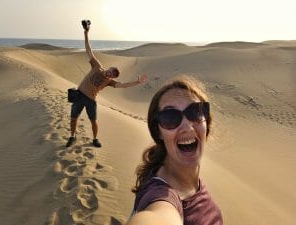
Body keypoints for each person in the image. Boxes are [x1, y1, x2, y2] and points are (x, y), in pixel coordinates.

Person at [127, 76, 223, 225]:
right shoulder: (160, 195)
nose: (187, 127)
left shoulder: (190, 183)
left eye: (196, 111)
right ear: (158, 132)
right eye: (170, 117)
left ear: (206, 123)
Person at [66, 21, 147, 148]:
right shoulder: (97, 66)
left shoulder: (109, 82)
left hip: (91, 100)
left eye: (113, 74)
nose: (111, 73)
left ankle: (95, 139)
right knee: (73, 118)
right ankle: (72, 136)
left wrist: (137, 82)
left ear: (113, 77)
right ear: (109, 68)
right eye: (112, 70)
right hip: (79, 95)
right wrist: (86, 33)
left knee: (93, 121)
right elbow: (88, 50)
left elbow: (123, 85)